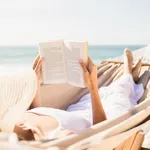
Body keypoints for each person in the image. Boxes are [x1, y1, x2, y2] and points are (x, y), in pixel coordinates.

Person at [14, 49, 144, 140]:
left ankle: (129, 77)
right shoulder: (57, 137)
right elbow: (100, 133)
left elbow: (38, 112)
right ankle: (128, 73)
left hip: (77, 110)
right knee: (118, 94)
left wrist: (36, 82)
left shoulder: (14, 120)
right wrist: (92, 86)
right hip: (103, 119)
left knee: (105, 92)